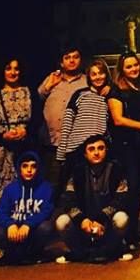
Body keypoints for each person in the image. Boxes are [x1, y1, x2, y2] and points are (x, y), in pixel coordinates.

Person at [0, 58, 41, 234]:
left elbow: (38, 118)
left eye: (16, 69)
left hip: (24, 149)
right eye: (8, 68)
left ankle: (23, 233)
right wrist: (2, 136)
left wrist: (26, 130)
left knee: (24, 190)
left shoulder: (29, 91)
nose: (13, 72)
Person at [107, 52, 140, 248]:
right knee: (132, 189)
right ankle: (125, 234)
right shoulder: (116, 91)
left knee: (139, 190)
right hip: (126, 146)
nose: (133, 69)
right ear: (122, 70)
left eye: (135, 65)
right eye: (128, 66)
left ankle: (132, 232)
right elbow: (118, 120)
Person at [60, 134, 130, 263]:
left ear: (106, 150)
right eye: (91, 149)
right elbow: (67, 199)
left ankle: (113, 250)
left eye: (100, 148)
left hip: (107, 222)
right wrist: (82, 220)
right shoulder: (77, 171)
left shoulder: (116, 169)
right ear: (85, 154)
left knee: (122, 219)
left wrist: (101, 219)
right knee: (62, 222)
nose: (96, 153)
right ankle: (79, 252)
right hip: (84, 223)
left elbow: (121, 199)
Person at [0, 151, 56, 265]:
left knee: (46, 228)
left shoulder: (46, 188)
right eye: (25, 166)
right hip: (14, 231)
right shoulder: (10, 189)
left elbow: (47, 211)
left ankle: (33, 253)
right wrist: (10, 225)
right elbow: (1, 212)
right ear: (19, 168)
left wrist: (28, 224)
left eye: (33, 166)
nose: (29, 170)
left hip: (33, 231)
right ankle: (14, 254)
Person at [37, 45, 87, 187]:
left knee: (77, 186)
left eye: (75, 57)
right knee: (51, 186)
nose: (71, 60)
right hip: (51, 143)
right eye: (67, 57)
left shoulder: (87, 81)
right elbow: (35, 100)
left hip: (77, 144)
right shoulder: (52, 78)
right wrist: (48, 86)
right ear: (61, 62)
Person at [57, 57, 111, 163]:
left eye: (101, 73)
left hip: (97, 151)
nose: (98, 77)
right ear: (89, 77)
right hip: (75, 149)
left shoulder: (110, 96)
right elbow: (67, 123)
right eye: (94, 74)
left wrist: (111, 88)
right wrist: (61, 153)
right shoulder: (80, 94)